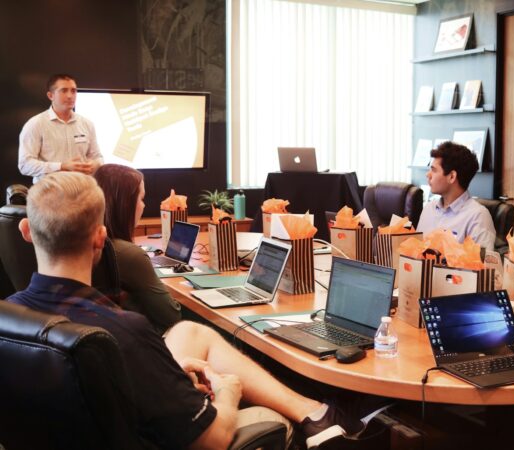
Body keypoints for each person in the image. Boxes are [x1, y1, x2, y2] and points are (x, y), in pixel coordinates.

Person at [8, 171, 373, 449]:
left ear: (26, 230)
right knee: (251, 405)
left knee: (189, 332)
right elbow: (211, 440)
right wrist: (229, 391)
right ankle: (320, 417)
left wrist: (165, 371)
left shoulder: (9, 316)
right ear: (100, 238)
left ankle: (317, 412)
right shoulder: (123, 332)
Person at [93, 164, 181, 334]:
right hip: (142, 343)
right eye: (141, 199)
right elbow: (171, 316)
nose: (144, 206)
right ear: (125, 204)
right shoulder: (128, 254)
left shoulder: (85, 244)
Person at [18, 74, 102, 183]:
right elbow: (25, 165)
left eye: (73, 91)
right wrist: (61, 166)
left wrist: (95, 164)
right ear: (50, 96)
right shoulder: (35, 124)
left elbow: (98, 157)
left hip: (82, 190)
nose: (70, 96)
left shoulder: (87, 123)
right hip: (49, 193)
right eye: (64, 91)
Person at [417, 141, 496, 250]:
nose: (428, 174)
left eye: (434, 170)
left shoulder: (478, 217)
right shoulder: (428, 209)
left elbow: (482, 265)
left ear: (452, 177)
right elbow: (414, 254)